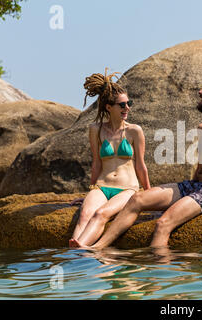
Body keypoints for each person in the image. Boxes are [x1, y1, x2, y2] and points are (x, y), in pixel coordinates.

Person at [87, 80, 202, 250]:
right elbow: (201, 166)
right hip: (193, 185)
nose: (199, 92)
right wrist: (188, 188)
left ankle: (161, 274)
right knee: (137, 199)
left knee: (163, 224)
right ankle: (99, 247)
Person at [69, 69, 151, 248]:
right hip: (101, 187)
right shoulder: (95, 129)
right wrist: (90, 192)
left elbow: (140, 165)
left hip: (127, 189)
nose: (127, 108)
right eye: (122, 105)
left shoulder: (134, 131)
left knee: (101, 214)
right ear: (109, 107)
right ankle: (75, 252)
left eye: (129, 103)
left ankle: (81, 249)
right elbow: (96, 163)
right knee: (84, 214)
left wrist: (149, 193)